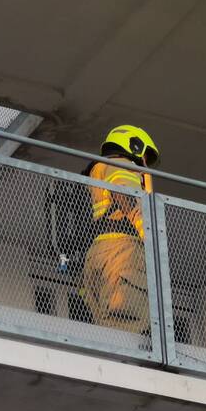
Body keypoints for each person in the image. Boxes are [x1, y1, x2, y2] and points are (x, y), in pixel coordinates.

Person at [82, 125, 157, 335]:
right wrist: (148, 234)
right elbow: (125, 194)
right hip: (123, 252)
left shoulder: (96, 171)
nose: (145, 164)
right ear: (134, 145)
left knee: (108, 327)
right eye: (146, 156)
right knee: (127, 323)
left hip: (98, 252)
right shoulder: (122, 165)